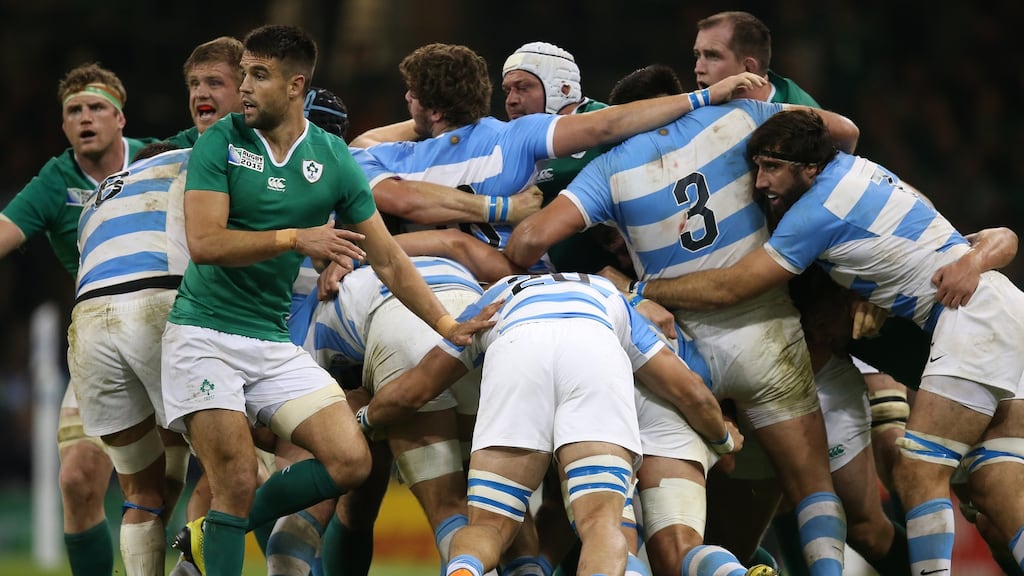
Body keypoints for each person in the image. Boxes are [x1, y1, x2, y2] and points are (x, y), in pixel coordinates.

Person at [161, 25, 492, 576]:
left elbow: (386, 257)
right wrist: (296, 238)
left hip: (268, 342)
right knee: (237, 480)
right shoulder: (221, 141)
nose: (244, 86)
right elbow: (206, 242)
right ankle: (220, 531)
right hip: (204, 335)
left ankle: (211, 535)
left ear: (295, 86)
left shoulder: (332, 156)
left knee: (351, 460)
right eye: (243, 73)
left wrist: (443, 321)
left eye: (258, 75)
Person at [638, 108, 1024, 575]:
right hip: (1001, 312)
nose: (761, 182)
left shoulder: (815, 213)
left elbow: (730, 288)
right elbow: (996, 236)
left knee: (918, 472)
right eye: (757, 166)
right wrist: (965, 263)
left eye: (773, 167)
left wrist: (640, 291)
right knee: (999, 495)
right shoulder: (862, 170)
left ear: (810, 169)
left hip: (973, 323)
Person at [504, 95, 860, 575]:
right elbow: (843, 131)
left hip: (677, 352)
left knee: (666, 539)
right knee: (813, 488)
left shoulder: (608, 169)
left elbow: (527, 243)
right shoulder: (742, 117)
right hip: (768, 341)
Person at [356, 272, 743, 576]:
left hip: (517, 351)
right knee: (600, 521)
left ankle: (463, 570)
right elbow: (688, 390)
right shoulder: (610, 294)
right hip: (592, 349)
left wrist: (366, 420)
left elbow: (413, 390)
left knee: (490, 524)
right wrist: (723, 438)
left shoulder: (496, 296)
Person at [339, 43, 765, 280]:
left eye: (523, 87)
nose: (512, 99)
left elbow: (607, 124)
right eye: (507, 90)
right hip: (536, 280)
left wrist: (702, 97)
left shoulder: (380, 155)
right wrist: (502, 208)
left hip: (464, 282)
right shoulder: (516, 136)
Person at [0, 61, 157, 576]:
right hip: (102, 343)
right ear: (64, 126)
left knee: (231, 472)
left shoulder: (164, 156)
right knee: (77, 480)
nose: (85, 118)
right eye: (74, 111)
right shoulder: (55, 180)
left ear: (120, 119)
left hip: (175, 335)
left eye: (96, 107)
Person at [68, 142, 190, 575]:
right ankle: (193, 566)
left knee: (139, 489)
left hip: (88, 320)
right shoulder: (187, 161)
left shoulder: (95, 199)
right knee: (229, 462)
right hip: (156, 300)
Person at [693, 11, 819, 107]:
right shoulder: (693, 108)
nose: (698, 69)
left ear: (748, 69)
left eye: (712, 56)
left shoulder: (801, 119)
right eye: (698, 55)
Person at [166, 36, 245, 148]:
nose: (200, 94)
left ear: (244, 90)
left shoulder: (271, 149)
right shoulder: (170, 157)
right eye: (195, 84)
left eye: (214, 83)